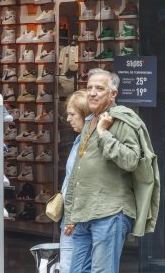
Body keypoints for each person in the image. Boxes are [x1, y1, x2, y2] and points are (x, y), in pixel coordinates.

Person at [64, 68, 160, 273]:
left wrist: (103, 134)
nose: (92, 92)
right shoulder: (89, 121)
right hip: (83, 214)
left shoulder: (123, 119)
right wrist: (71, 214)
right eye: (89, 88)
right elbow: (78, 171)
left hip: (109, 213)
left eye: (99, 88)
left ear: (113, 94)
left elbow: (132, 160)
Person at [60, 90, 91, 273]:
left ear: (84, 114)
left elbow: (81, 182)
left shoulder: (86, 144)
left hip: (76, 217)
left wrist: (72, 217)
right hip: (72, 215)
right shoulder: (79, 140)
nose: (69, 119)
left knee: (69, 265)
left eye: (72, 114)